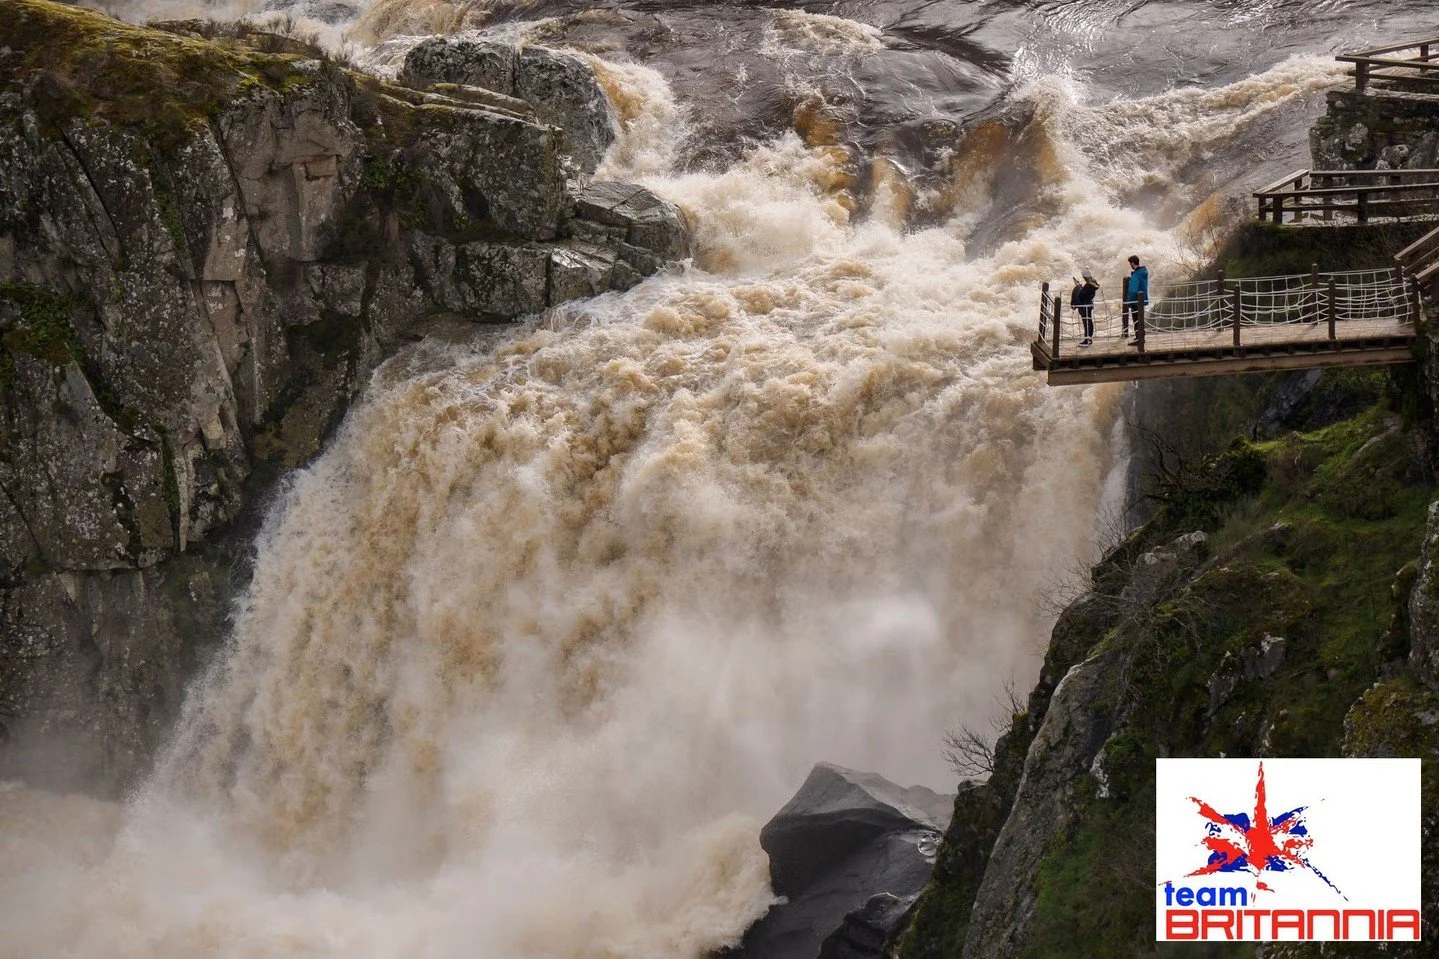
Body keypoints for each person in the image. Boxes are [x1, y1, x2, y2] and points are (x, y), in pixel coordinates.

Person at [1123, 255, 1149, 345]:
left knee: (1136, 320)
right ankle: (1140, 337)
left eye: (1130, 263)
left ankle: (1139, 339)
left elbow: (1133, 290)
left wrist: (1129, 301)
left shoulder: (1136, 275)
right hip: (1143, 299)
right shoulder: (1143, 272)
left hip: (1135, 301)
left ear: (1132, 263)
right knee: (1140, 319)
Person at [1070, 269, 1099, 345]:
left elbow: (1082, 295)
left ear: (1084, 277)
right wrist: (1080, 287)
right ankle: (1089, 338)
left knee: (1086, 323)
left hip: (1085, 306)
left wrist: (1078, 287)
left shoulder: (1088, 286)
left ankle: (1087, 340)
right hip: (1089, 305)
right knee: (1089, 322)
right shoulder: (1092, 284)